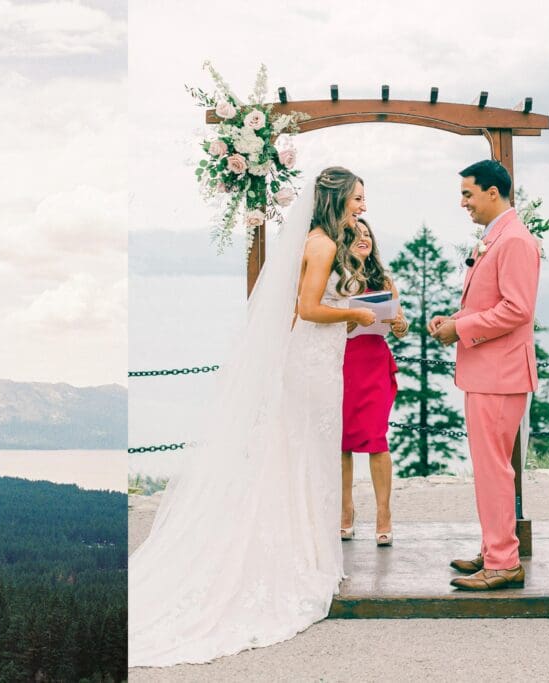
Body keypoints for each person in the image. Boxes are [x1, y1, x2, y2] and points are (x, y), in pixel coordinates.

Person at [129, 166, 375, 667]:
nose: (362, 207)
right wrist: (355, 313)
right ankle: (306, 556)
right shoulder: (324, 245)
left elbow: (295, 311)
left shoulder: (318, 240)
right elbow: (308, 308)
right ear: (336, 200)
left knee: (305, 455)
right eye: (356, 199)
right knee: (308, 455)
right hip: (314, 365)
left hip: (314, 360)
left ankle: (309, 548)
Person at [427, 159, 540, 591]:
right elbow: (490, 301)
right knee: (489, 468)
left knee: (493, 470)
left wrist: (463, 329)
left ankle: (503, 562)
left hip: (500, 375)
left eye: (468, 194)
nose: (463, 203)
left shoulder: (513, 240)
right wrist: (453, 319)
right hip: (487, 373)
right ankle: (495, 547)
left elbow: (517, 309)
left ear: (493, 193)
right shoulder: (497, 238)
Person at [340, 217, 407, 547]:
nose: (363, 238)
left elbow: (402, 327)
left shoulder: (384, 278)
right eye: (356, 235)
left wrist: (396, 321)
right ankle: (345, 510)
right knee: (342, 441)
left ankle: (384, 514)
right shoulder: (337, 278)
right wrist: (350, 321)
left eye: (367, 234)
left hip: (375, 364)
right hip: (343, 364)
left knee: (376, 439)